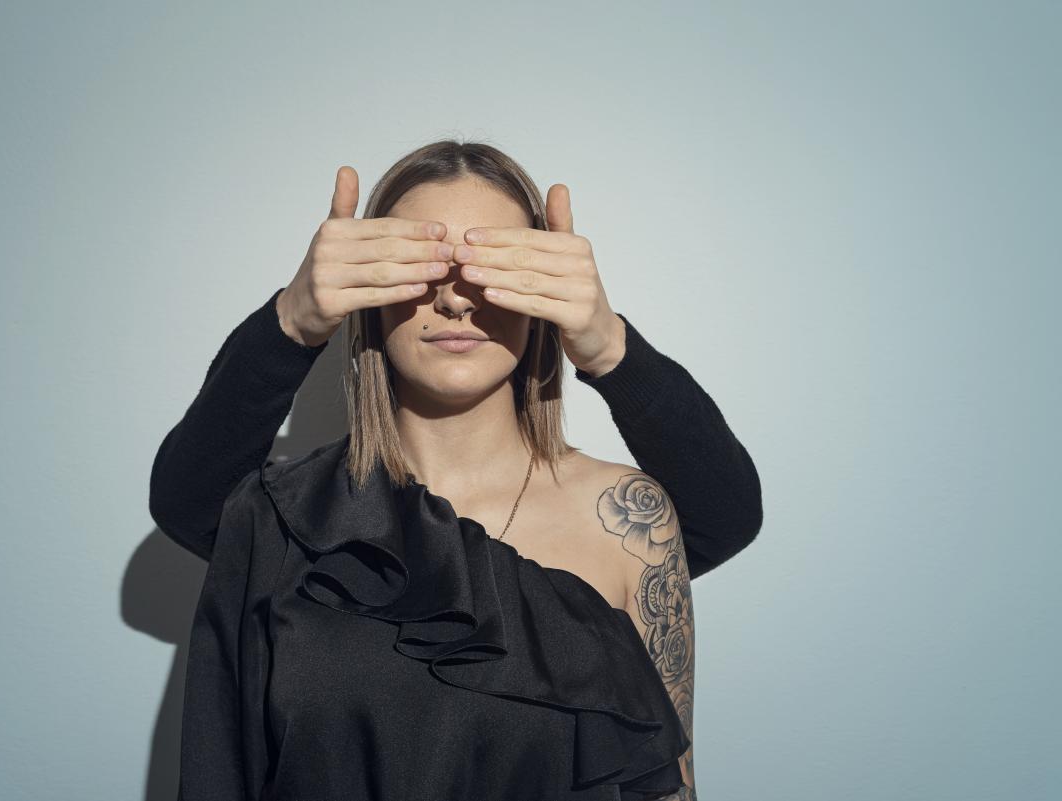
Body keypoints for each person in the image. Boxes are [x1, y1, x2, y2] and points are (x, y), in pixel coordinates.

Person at [149, 141, 763, 801]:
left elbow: (725, 514)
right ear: (368, 294)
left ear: (543, 294)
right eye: (422, 266)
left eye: (492, 267)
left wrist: (608, 343)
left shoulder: (622, 518)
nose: (455, 301)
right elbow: (188, 501)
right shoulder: (290, 513)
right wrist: (293, 321)